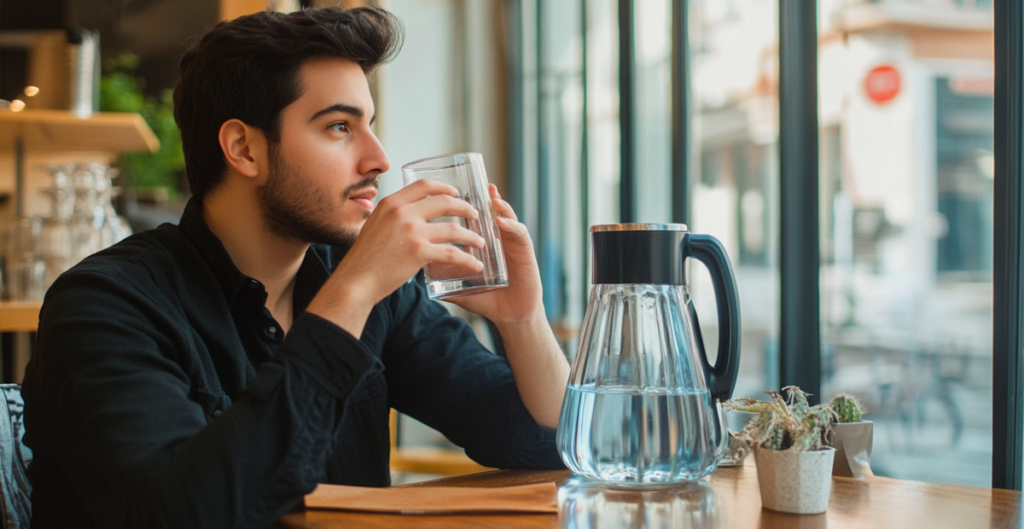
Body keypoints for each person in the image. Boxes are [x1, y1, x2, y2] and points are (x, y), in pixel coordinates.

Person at [22, 7, 570, 529]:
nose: (378, 157)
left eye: (371, 125)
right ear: (244, 148)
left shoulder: (374, 292)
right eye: (339, 127)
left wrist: (522, 321)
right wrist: (352, 291)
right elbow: (185, 513)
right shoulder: (105, 304)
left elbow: (544, 443)